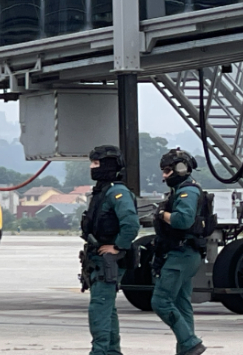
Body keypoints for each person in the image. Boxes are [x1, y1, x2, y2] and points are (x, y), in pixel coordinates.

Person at [81, 145, 140, 355]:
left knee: (100, 307)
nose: (91, 167)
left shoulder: (117, 192)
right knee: (108, 308)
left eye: (96, 163)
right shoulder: (103, 192)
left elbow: (131, 224)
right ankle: (112, 351)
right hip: (99, 258)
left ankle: (100, 351)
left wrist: (117, 246)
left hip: (109, 261)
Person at [151, 148, 207, 355]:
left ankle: (190, 342)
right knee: (181, 304)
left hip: (181, 254)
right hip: (183, 253)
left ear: (180, 169)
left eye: (167, 171)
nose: (164, 176)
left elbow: (183, 220)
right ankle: (186, 350)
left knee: (160, 301)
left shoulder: (188, 191)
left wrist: (162, 214)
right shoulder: (181, 190)